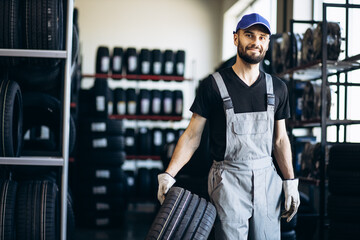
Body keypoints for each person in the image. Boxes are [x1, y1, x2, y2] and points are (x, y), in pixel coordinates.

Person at [157, 13, 300, 240]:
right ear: (236, 39)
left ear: (268, 43)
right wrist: (169, 174)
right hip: (227, 182)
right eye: (249, 35)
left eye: (262, 37)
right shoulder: (213, 86)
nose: (256, 42)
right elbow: (193, 135)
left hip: (267, 183)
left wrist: (290, 181)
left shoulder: (278, 88)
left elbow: (280, 140)